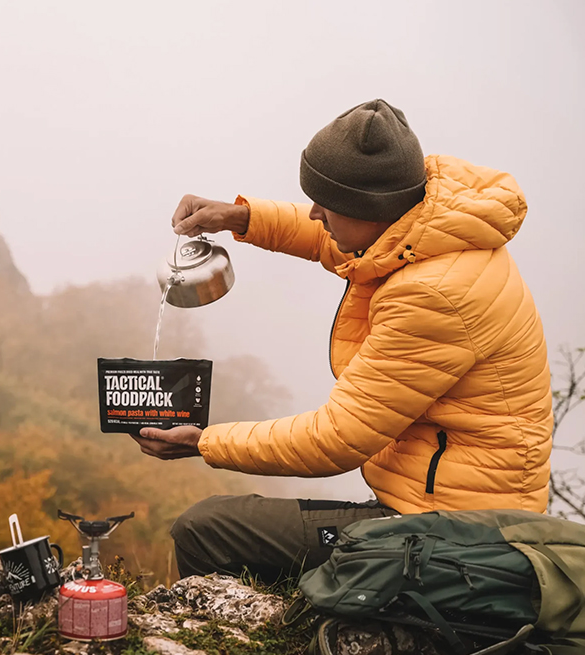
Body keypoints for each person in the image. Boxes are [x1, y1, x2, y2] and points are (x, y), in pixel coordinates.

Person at [131, 99, 553, 583]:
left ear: (370, 210)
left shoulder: (434, 293)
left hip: (459, 538)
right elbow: (327, 236)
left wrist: (205, 441)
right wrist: (240, 217)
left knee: (205, 530)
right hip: (449, 507)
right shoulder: (425, 230)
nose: (315, 213)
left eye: (326, 205)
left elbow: (335, 439)